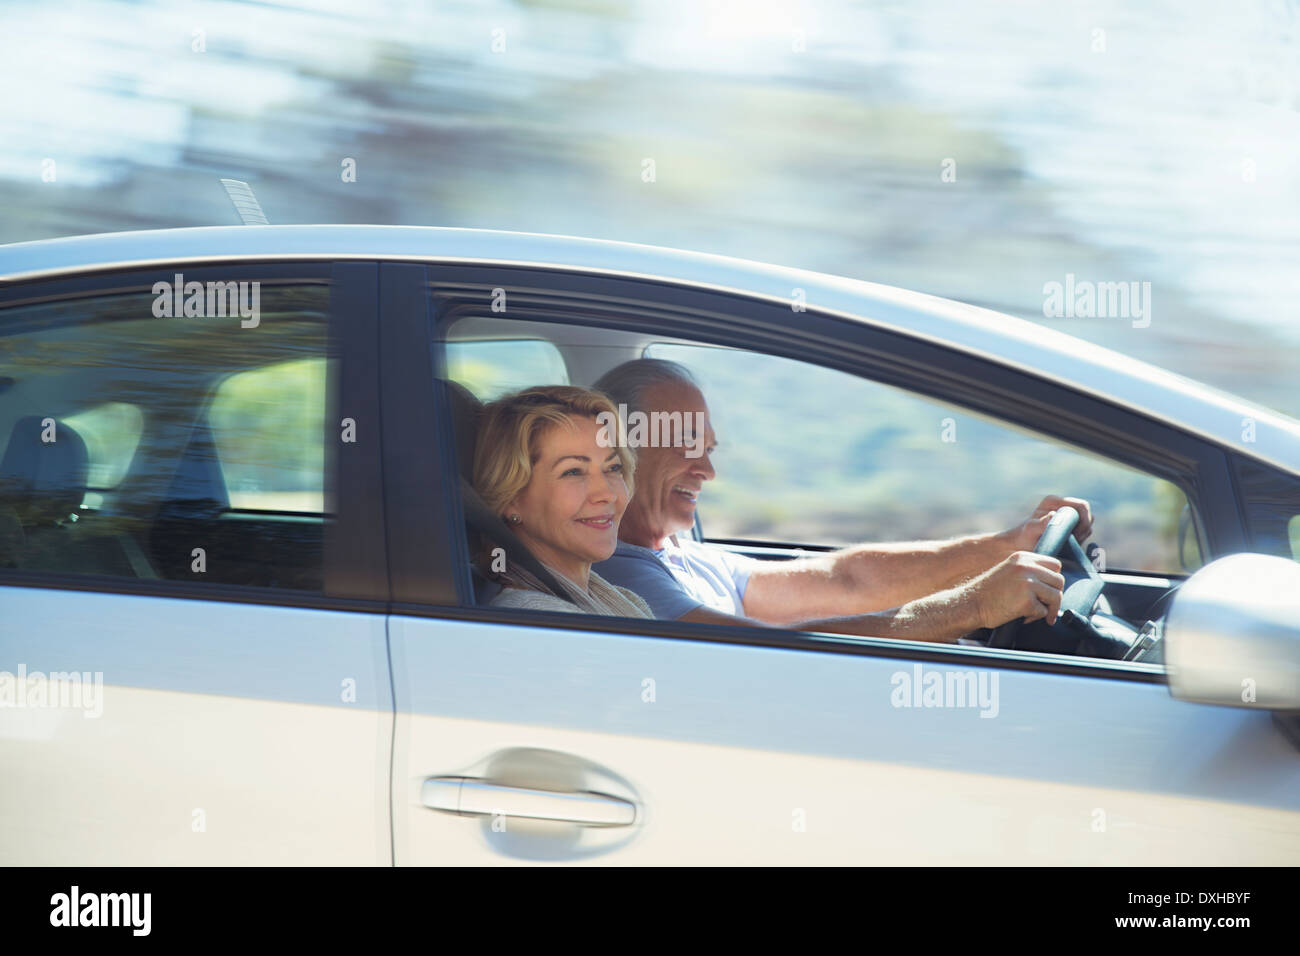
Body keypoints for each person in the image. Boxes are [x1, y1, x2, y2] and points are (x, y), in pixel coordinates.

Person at [591, 359, 1094, 643]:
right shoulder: (622, 576)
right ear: (619, 449)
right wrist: (974, 605)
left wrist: (1005, 544)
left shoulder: (679, 555)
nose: (707, 470)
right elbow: (760, 650)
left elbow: (845, 581)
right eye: (686, 447)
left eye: (709, 449)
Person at [471, 385, 653, 618]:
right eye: (573, 472)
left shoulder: (625, 600)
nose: (607, 493)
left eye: (613, 468)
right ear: (510, 497)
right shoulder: (540, 617)